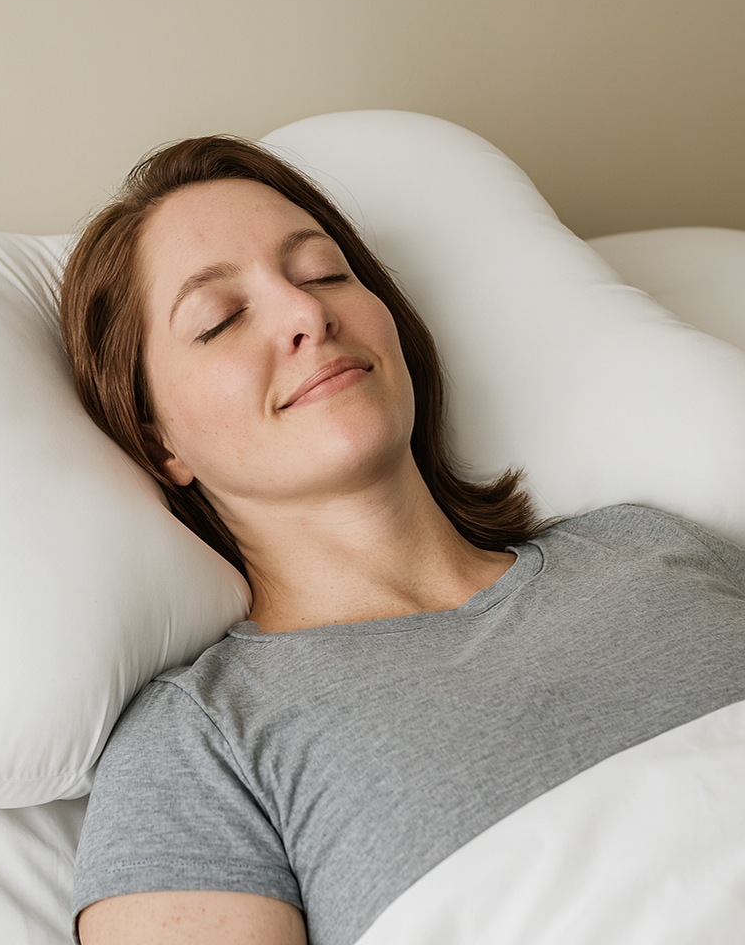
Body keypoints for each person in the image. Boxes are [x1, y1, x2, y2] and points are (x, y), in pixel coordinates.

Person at [59, 137, 745, 945]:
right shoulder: (201, 746)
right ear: (159, 438)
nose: (306, 313)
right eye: (222, 319)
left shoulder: (654, 550)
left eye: (324, 273)